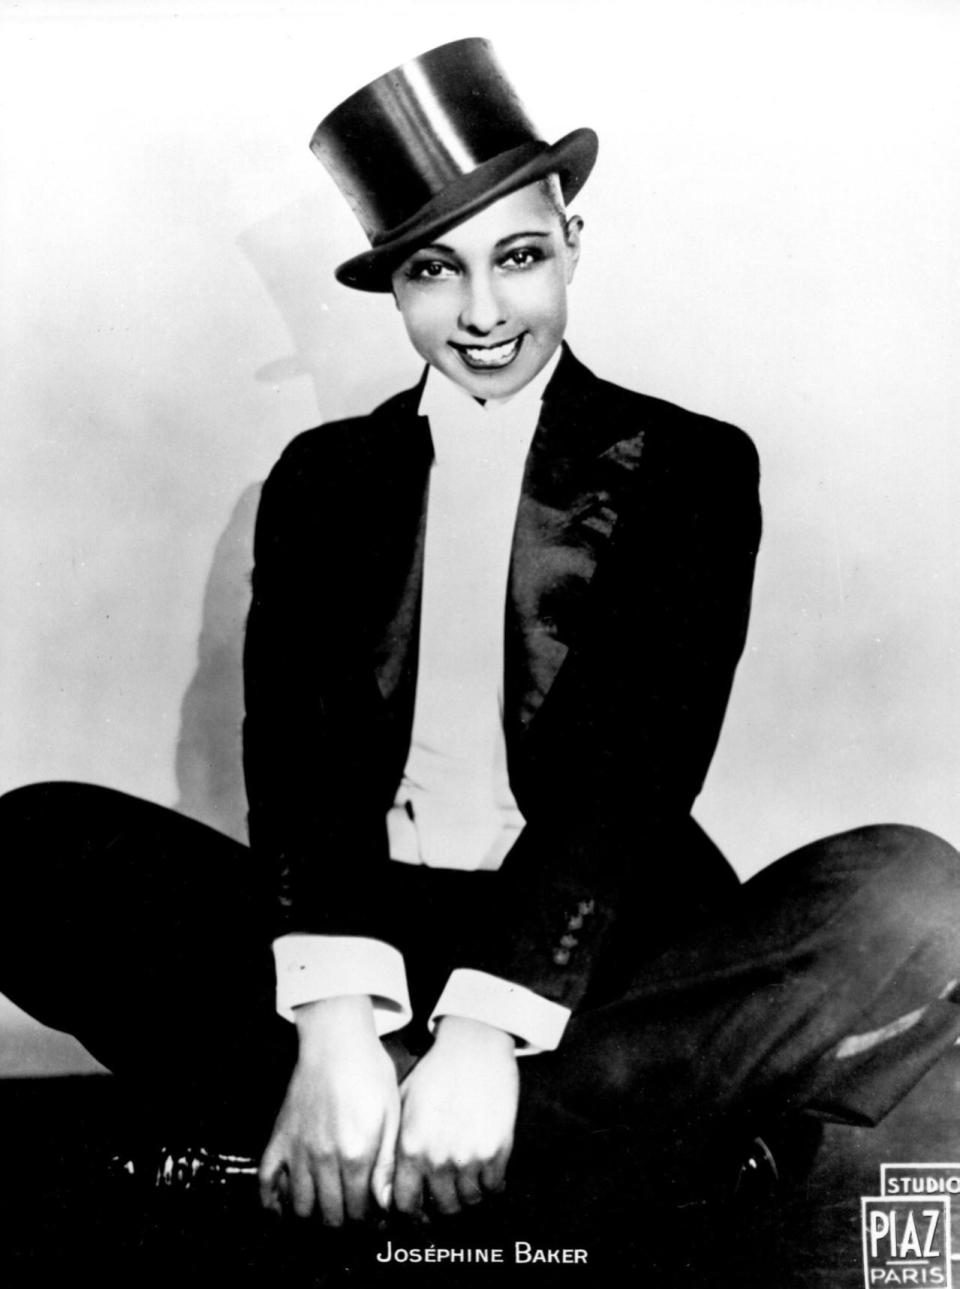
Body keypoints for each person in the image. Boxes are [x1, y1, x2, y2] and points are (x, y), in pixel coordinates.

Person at [3, 35, 960, 1268]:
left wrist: (484, 1036)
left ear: (573, 240)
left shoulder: (692, 465)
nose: (482, 312)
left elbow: (633, 766)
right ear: (394, 289)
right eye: (433, 273)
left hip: (594, 938)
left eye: (517, 256)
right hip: (366, 932)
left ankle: (386, 1163)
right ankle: (555, 1158)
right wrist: (340, 1019)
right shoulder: (321, 478)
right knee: (26, 842)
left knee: (915, 893)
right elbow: (295, 755)